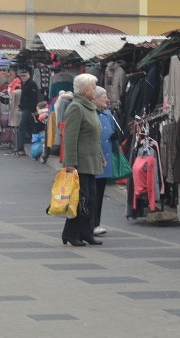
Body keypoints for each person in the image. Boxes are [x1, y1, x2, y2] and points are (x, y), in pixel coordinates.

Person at [61, 73, 105, 246]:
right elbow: (70, 138)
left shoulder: (89, 107)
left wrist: (100, 156)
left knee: (90, 199)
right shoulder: (76, 107)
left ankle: (85, 232)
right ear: (85, 90)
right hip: (80, 162)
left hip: (91, 161)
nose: (96, 90)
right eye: (94, 87)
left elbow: (94, 136)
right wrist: (70, 163)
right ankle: (71, 233)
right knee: (81, 200)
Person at [93, 86, 122, 237]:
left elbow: (113, 134)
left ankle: (96, 223)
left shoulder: (108, 114)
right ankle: (89, 223)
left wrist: (115, 137)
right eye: (104, 97)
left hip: (106, 160)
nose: (107, 99)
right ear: (96, 99)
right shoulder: (91, 113)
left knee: (100, 193)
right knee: (91, 194)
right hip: (93, 159)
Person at [15, 69, 39, 157]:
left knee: (22, 128)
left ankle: (20, 149)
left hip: (29, 109)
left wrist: (33, 111)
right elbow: (25, 97)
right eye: (22, 76)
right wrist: (21, 106)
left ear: (28, 75)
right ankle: (35, 144)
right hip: (25, 108)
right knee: (30, 128)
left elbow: (33, 98)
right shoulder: (24, 84)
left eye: (24, 76)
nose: (23, 78)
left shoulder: (32, 84)